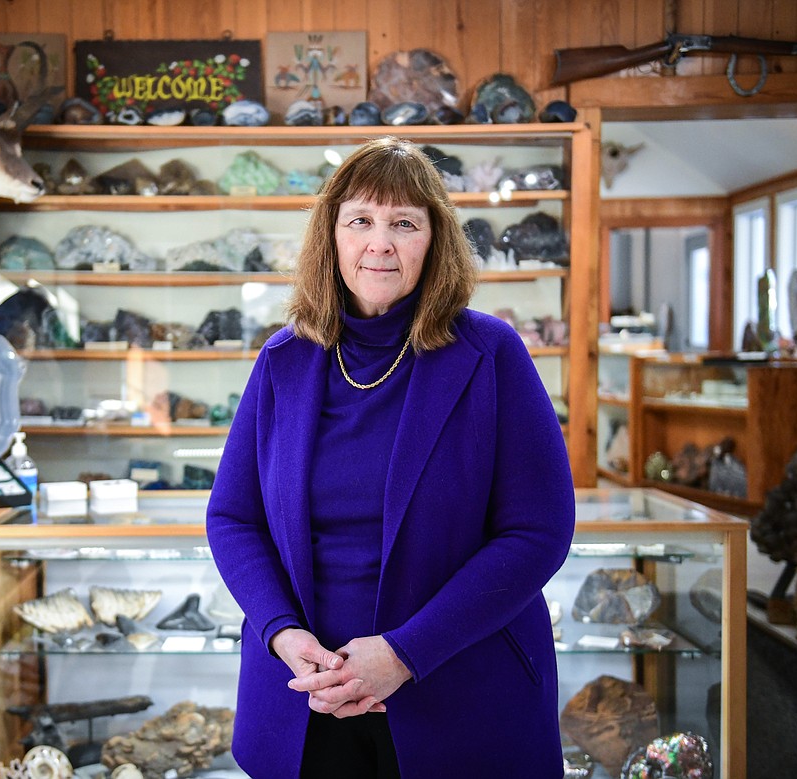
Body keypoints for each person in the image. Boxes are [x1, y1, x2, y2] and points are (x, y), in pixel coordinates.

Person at [205, 137, 576, 778]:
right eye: (361, 221)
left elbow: (538, 530)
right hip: (306, 701)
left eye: (404, 223)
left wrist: (404, 654)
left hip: (459, 698)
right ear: (334, 237)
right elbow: (233, 518)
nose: (380, 243)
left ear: (434, 241)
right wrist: (281, 633)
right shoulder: (283, 360)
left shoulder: (490, 353)